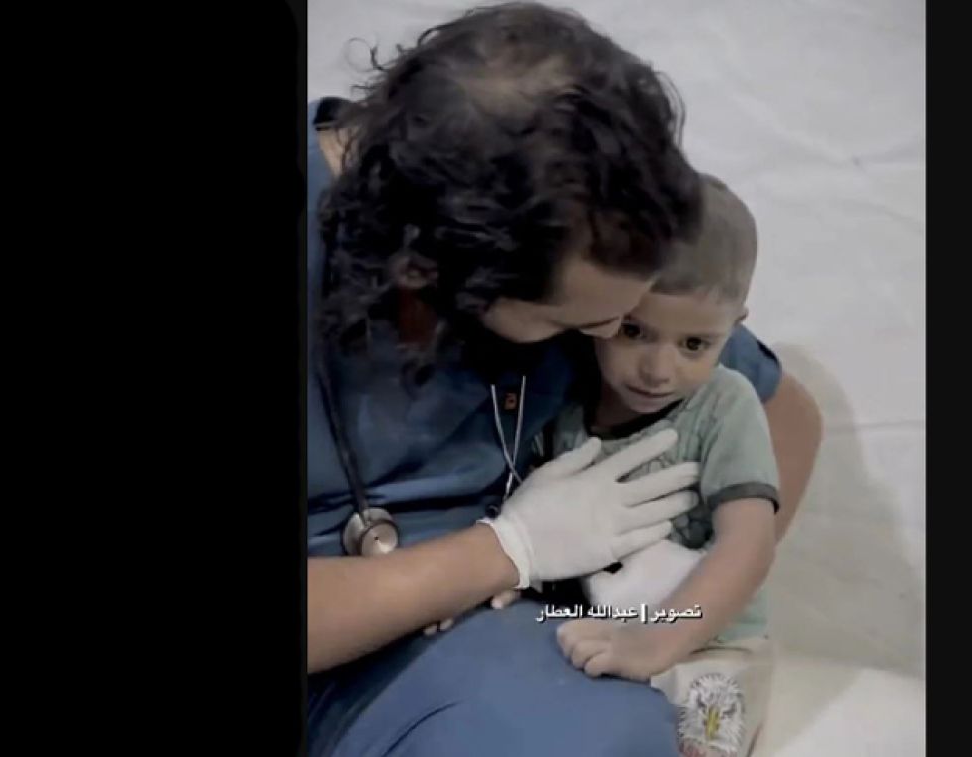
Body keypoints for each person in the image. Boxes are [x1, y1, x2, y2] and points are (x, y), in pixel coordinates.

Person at [305, 4, 822, 755]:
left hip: (454, 651)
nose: (619, 340)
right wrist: (506, 550)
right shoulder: (487, 234)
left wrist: (679, 609)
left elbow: (785, 420)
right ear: (427, 273)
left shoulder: (589, 243)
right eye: (579, 326)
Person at [537, 174, 781, 757]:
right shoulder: (565, 400)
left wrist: (659, 640)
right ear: (600, 313)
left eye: (694, 344)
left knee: (699, 732)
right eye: (634, 331)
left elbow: (749, 544)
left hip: (711, 643)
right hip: (601, 627)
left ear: (734, 327)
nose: (658, 370)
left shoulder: (725, 405)